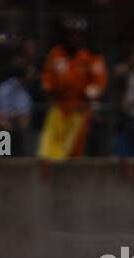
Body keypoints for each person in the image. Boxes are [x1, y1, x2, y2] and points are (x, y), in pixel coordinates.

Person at [37, 19, 107, 160]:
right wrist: (48, 89)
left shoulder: (91, 56)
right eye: (70, 34)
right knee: (49, 147)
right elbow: (47, 75)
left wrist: (88, 95)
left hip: (80, 109)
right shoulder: (56, 53)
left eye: (77, 35)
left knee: (75, 148)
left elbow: (99, 80)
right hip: (59, 107)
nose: (73, 38)